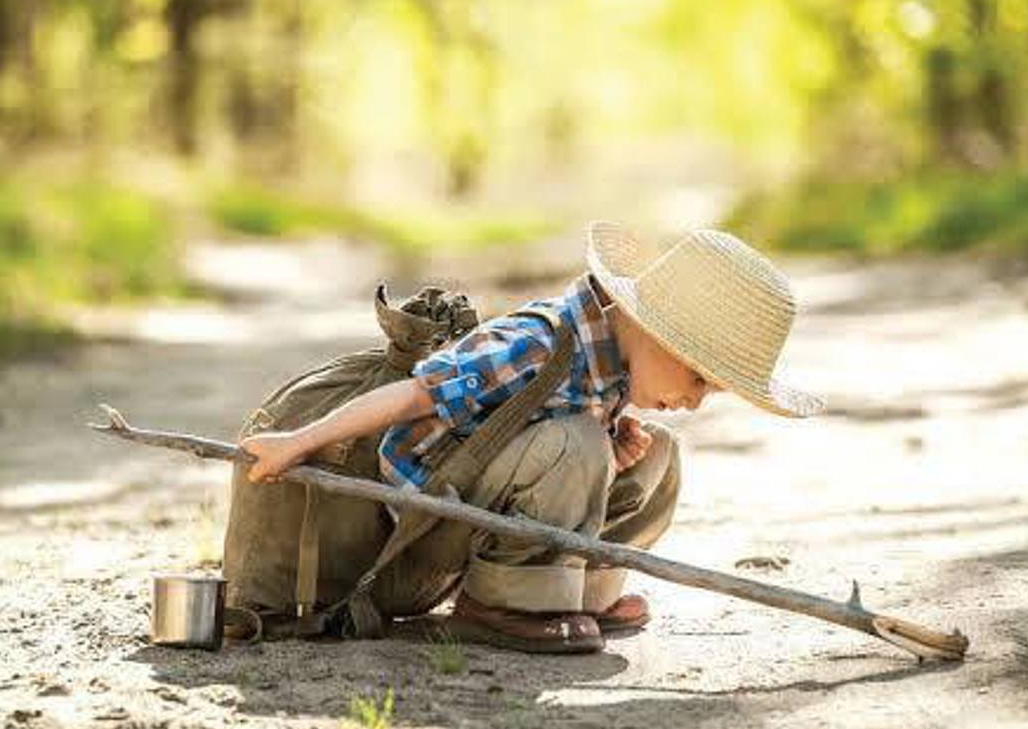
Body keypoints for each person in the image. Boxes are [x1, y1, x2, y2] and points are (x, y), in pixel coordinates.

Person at [237, 221, 822, 653]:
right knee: (577, 445)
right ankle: (500, 606)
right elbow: (416, 394)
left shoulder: (615, 367)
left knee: (659, 455)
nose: (694, 400)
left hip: (482, 517)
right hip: (423, 533)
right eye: (697, 376)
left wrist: (609, 459)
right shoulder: (538, 342)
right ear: (651, 328)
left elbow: (548, 453)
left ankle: (581, 593)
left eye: (710, 391)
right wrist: (301, 440)